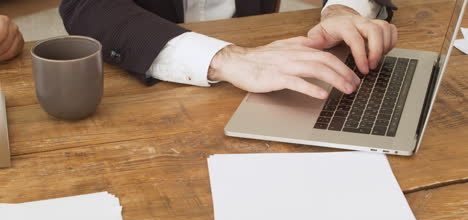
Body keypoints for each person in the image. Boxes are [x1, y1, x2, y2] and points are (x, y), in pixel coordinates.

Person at [59, 0, 398, 99]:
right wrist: (226, 59)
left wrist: (342, 9)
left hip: (270, 81)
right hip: (151, 88)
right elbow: (87, 7)